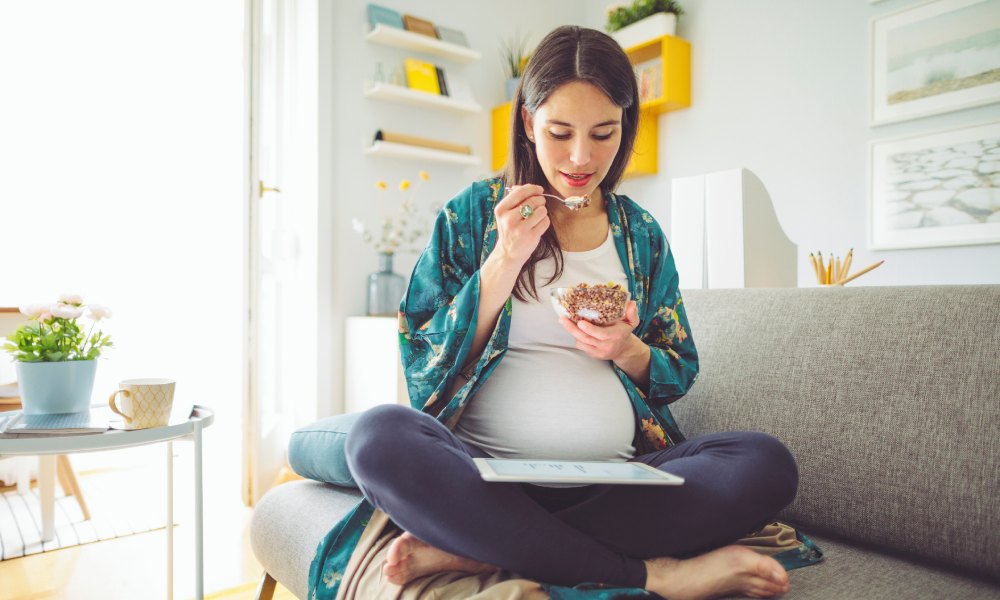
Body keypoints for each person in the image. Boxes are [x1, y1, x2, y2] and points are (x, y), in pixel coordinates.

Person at [343, 25, 800, 600]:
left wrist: (626, 349)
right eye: (560, 133)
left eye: (604, 133)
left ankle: (475, 545)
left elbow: (678, 369)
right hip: (483, 478)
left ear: (625, 128)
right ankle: (653, 574)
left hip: (619, 484)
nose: (582, 158)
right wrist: (503, 262)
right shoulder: (471, 218)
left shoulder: (641, 236)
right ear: (528, 124)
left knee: (765, 462)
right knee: (377, 437)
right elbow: (422, 371)